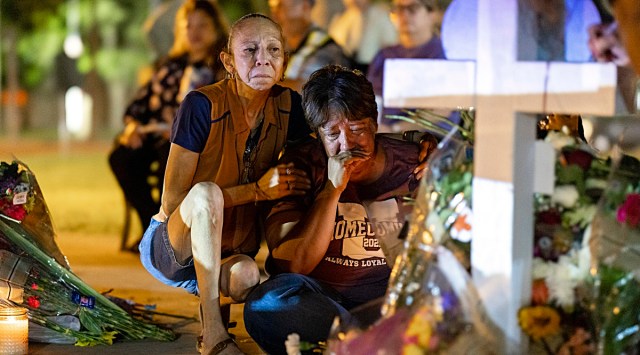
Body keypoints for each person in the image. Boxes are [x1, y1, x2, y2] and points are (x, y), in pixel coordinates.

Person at [138, 13, 315, 355]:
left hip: (232, 249)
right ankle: (214, 334)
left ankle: (219, 302)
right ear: (228, 61)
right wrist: (257, 191)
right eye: (249, 50)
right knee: (205, 194)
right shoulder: (202, 104)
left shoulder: (288, 106)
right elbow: (173, 200)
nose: (262, 58)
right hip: (173, 246)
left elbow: (321, 147)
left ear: (284, 61)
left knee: (248, 277)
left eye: (273, 50)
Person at [243, 65, 422, 354]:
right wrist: (331, 190)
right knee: (265, 305)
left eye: (357, 130)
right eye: (332, 134)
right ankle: (367, 341)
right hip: (324, 307)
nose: (346, 144)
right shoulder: (299, 167)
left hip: (392, 301)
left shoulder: (413, 162)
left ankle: (356, 343)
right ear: (316, 135)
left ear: (375, 125)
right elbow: (293, 265)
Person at [108, 0, 228, 250]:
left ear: (216, 28)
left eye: (202, 25)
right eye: (188, 26)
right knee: (121, 158)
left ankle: (173, 236)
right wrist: (131, 127)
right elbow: (139, 103)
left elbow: (221, 109)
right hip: (155, 135)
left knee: (171, 159)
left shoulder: (221, 66)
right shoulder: (170, 64)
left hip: (196, 141)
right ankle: (150, 225)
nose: (193, 32)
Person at [366, 0, 446, 132]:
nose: (404, 15)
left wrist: (395, 129)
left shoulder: (443, 54)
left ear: (432, 14)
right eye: (399, 9)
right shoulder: (384, 55)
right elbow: (372, 100)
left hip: (429, 141)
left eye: (413, 8)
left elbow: (442, 110)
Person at [269, 0, 352, 92]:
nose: (275, 16)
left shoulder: (325, 49)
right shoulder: (283, 47)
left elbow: (306, 89)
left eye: (281, 7)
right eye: (273, 9)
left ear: (305, 7)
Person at [328, 0, 398, 72]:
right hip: (346, 69)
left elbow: (390, 46)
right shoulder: (342, 19)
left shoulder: (382, 16)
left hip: (371, 69)